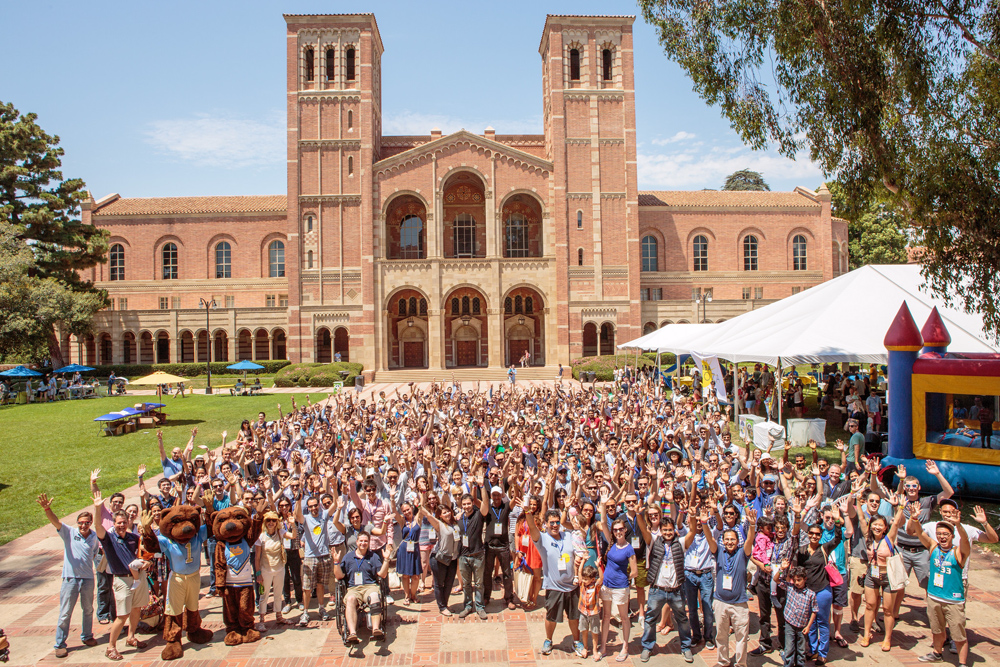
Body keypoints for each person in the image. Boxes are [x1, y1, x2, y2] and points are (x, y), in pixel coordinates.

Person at [906, 506, 971, 667]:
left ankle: (962, 663)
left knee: (958, 634)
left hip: (953, 601)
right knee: (937, 630)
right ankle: (937, 652)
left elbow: (965, 542)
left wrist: (959, 525)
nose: (942, 537)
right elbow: (920, 533)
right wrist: (914, 518)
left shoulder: (958, 552)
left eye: (946, 534)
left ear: (952, 536)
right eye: (939, 534)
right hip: (934, 597)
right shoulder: (934, 547)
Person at [38, 493, 100, 658]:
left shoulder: (94, 537)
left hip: (87, 579)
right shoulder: (69, 533)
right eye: (80, 523)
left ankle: (87, 636)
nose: (83, 525)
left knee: (88, 609)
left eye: (86, 523)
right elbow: (55, 521)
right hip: (70, 580)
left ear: (90, 523)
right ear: (77, 523)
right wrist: (47, 508)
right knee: (65, 612)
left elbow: (93, 554)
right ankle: (60, 644)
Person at [92, 490, 149, 661]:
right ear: (114, 523)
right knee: (122, 615)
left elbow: (143, 555)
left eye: (124, 522)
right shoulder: (108, 539)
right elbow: (97, 527)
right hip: (122, 580)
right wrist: (97, 508)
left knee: (137, 608)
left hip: (138, 578)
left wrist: (147, 563)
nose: (121, 525)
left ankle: (131, 637)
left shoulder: (133, 537)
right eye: (118, 523)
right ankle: (111, 647)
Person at [525, 502, 585, 658]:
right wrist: (527, 512)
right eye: (551, 522)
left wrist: (578, 560)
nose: (554, 525)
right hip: (554, 587)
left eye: (557, 522)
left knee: (574, 617)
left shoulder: (568, 535)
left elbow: (579, 547)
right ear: (546, 524)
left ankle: (576, 641)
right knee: (551, 617)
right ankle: (548, 640)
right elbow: (532, 528)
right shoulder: (542, 539)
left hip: (572, 586)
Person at [639, 512, 694, 663]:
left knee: (682, 619)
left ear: (674, 529)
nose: (668, 533)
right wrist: (639, 513)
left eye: (670, 530)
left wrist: (693, 517)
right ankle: (647, 647)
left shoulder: (681, 543)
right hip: (658, 589)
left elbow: (693, 532)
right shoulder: (655, 540)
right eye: (665, 530)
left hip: (676, 590)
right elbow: (644, 530)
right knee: (650, 619)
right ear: (661, 531)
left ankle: (686, 647)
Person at [854, 493, 906, 649]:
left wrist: (900, 507)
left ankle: (887, 638)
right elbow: (862, 519)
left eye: (880, 525)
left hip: (887, 576)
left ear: (885, 528)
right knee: (869, 605)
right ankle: (866, 635)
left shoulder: (888, 538)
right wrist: (857, 500)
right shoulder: (868, 536)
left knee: (888, 610)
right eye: (874, 524)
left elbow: (896, 523)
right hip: (872, 575)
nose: (876, 527)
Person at [711, 508, 758, 667]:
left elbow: (750, 541)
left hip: (739, 604)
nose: (730, 542)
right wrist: (704, 522)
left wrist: (752, 525)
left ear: (737, 541)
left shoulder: (742, 553)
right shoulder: (718, 552)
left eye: (733, 539)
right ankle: (723, 661)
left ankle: (740, 663)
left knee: (741, 636)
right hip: (720, 602)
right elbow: (709, 539)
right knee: (721, 635)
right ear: (723, 541)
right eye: (727, 539)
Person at [332, 531, 391, 644]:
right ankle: (353, 633)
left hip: (370, 586)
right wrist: (336, 562)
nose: (363, 543)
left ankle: (376, 629)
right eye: (361, 541)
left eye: (366, 541)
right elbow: (339, 576)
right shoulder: (348, 557)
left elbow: (382, 575)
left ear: (369, 543)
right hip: (353, 588)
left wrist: (386, 560)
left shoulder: (373, 556)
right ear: (357, 542)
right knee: (350, 599)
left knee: (374, 596)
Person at [598, 509, 637, 662]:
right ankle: (603, 646)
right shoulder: (611, 542)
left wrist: (624, 579)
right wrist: (603, 503)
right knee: (606, 616)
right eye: (615, 529)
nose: (618, 532)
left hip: (620, 587)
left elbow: (634, 571)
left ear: (625, 530)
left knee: (623, 618)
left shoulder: (629, 548)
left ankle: (625, 646)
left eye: (621, 529)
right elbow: (602, 522)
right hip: (607, 586)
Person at [295, 493, 332, 625]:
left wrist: (335, 487)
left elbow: (334, 507)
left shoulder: (324, 516)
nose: (314, 508)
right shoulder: (305, 519)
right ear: (308, 508)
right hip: (310, 557)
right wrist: (298, 501)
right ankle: (305, 612)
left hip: (324, 556)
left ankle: (321, 608)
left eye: (315, 505)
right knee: (307, 588)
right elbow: (297, 515)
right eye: (311, 506)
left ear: (319, 505)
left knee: (321, 584)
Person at [456, 477, 490, 619]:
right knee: (466, 584)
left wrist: (481, 486)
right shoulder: (458, 517)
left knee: (479, 583)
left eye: (469, 504)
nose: (466, 506)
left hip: (477, 554)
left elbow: (486, 505)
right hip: (463, 556)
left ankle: (480, 607)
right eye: (464, 504)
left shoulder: (478, 515)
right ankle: (468, 606)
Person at [483, 485, 516, 610]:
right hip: (489, 545)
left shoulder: (506, 507)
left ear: (501, 495)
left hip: (503, 546)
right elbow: (476, 501)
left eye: (498, 494)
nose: (496, 497)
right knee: (487, 573)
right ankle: (486, 596)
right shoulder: (488, 507)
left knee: (507, 573)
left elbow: (516, 497)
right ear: (491, 496)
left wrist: (519, 483)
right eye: (494, 495)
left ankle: (509, 598)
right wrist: (479, 486)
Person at [255, 511, 289, 628]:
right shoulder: (261, 536)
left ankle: (279, 616)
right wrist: (258, 573)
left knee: (278, 594)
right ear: (265, 522)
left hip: (279, 568)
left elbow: (293, 536)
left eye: (273, 520)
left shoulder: (280, 532)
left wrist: (293, 524)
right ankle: (261, 620)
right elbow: (257, 557)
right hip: (265, 570)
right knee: (264, 595)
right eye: (268, 520)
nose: (271, 523)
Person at [781, 566, 818, 667]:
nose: (797, 583)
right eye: (795, 580)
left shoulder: (811, 594)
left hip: (802, 626)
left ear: (805, 579)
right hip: (790, 623)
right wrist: (782, 569)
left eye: (799, 580)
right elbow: (776, 580)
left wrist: (808, 626)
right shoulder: (790, 588)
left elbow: (814, 611)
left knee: (801, 651)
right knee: (789, 649)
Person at [578, 565, 603, 660]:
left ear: (592, 579)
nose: (583, 581)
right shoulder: (582, 584)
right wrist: (583, 560)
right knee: (584, 630)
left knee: (594, 631)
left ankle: (595, 650)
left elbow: (601, 578)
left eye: (586, 579)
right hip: (583, 612)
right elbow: (580, 571)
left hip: (594, 612)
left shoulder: (596, 586)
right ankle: (585, 647)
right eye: (583, 579)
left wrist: (599, 567)